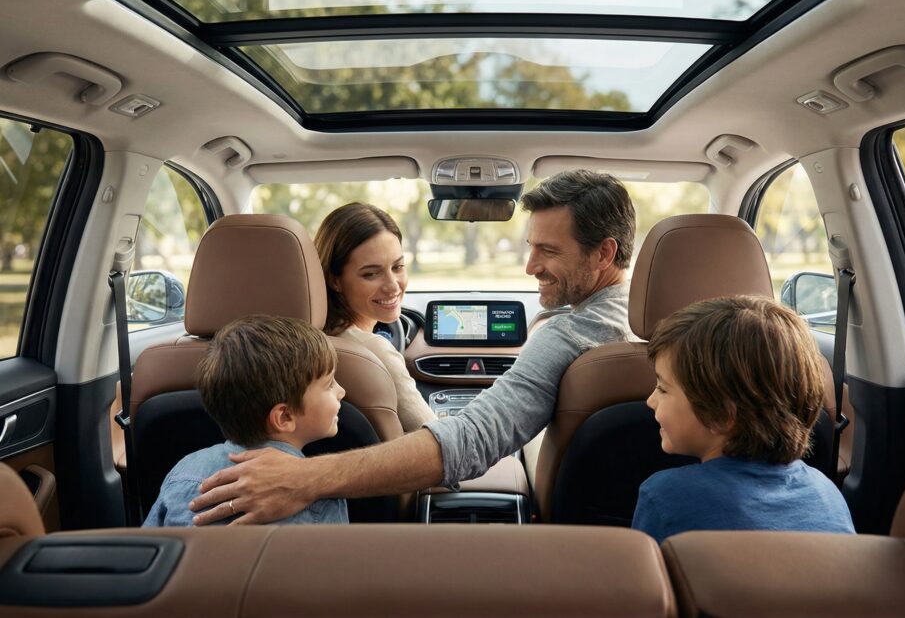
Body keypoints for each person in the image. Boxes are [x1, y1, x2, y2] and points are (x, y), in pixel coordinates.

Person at [189, 169, 636, 525]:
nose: (530, 266)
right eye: (531, 247)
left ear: (603, 253)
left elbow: (472, 440)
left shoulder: (567, 333)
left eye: (548, 251)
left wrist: (303, 477)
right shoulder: (655, 330)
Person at [631, 296, 855, 543]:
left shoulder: (665, 496)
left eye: (662, 389)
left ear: (722, 415)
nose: (650, 401)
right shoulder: (827, 492)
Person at [143, 315, 348, 526]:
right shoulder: (318, 493)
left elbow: (150, 541)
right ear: (284, 417)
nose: (342, 391)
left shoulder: (184, 471)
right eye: (329, 384)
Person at [314, 202, 435, 433]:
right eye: (371, 274)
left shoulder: (308, 340)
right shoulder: (375, 351)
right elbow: (438, 439)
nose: (393, 286)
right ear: (334, 280)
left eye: (398, 267)